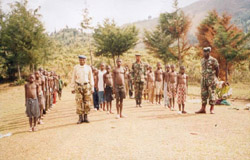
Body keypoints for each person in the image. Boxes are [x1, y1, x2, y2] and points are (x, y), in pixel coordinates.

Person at [71, 55, 94, 124]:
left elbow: (91, 78)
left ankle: (86, 117)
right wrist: (72, 87)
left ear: (85, 60)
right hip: (78, 86)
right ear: (79, 60)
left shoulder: (88, 68)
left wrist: (92, 87)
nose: (82, 61)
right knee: (79, 102)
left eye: (83, 60)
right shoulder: (76, 68)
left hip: (86, 86)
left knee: (87, 102)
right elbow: (73, 77)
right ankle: (80, 118)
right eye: (80, 60)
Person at [196, 47, 219, 114]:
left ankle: (212, 109)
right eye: (204, 52)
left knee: (212, 93)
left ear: (209, 52)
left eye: (207, 52)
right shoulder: (202, 60)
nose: (205, 53)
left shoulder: (213, 60)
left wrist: (216, 78)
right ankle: (203, 109)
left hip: (211, 80)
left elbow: (217, 68)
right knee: (203, 94)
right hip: (203, 80)